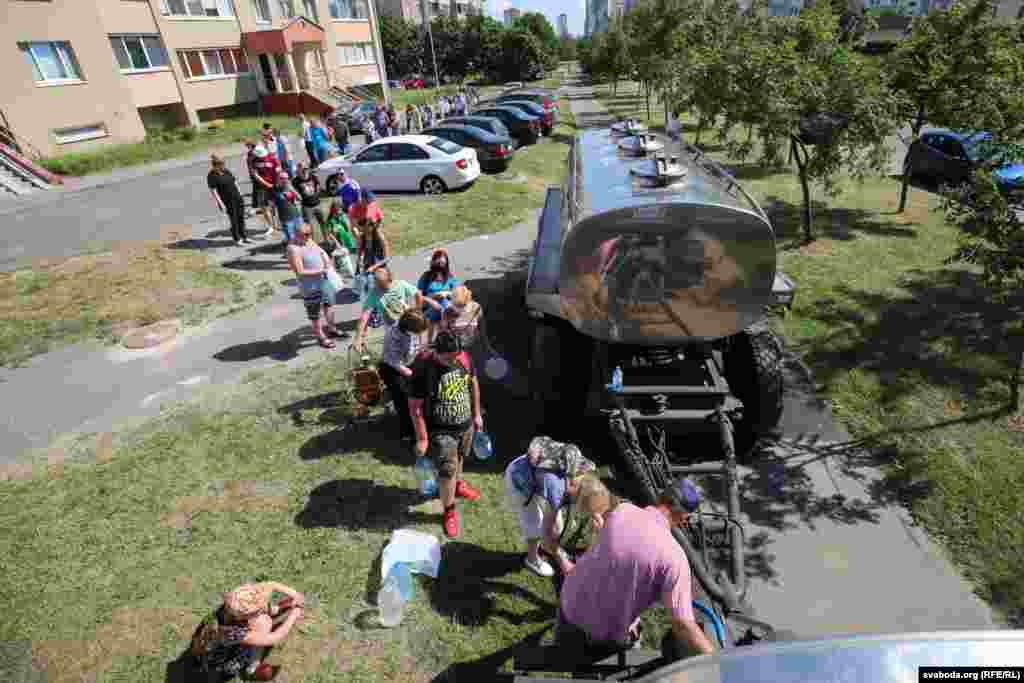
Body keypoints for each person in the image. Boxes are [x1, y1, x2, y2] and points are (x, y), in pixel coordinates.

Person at [555, 478, 716, 663]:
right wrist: (718, 661)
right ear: (683, 518)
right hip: (602, 636)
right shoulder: (676, 560)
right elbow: (682, 625)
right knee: (631, 637)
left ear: (660, 497)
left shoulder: (622, 510)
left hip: (569, 606)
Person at [409, 330, 483, 538]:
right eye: (447, 358)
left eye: (455, 356)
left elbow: (473, 383)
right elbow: (415, 406)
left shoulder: (464, 358)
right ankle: (449, 511)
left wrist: (477, 414)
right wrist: (423, 438)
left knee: (460, 456)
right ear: (436, 352)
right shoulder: (423, 367)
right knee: (447, 470)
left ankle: (458, 485)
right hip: (441, 430)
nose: (453, 361)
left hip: (465, 424)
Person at [503, 436, 599, 577]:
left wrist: (597, 516)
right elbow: (547, 534)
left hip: (538, 475)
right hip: (519, 479)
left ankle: (548, 548)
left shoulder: (573, 461)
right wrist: (564, 563)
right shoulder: (555, 487)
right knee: (535, 523)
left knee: (557, 528)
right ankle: (532, 559)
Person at [190, 582, 305, 681]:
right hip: (215, 661)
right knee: (264, 623)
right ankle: (251, 668)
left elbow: (271, 584)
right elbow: (275, 637)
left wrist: (295, 594)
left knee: (263, 619)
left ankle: (275, 610)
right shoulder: (232, 632)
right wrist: (294, 615)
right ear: (244, 617)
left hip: (205, 644)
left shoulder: (234, 603)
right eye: (257, 610)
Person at [380, 308, 430, 442]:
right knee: (403, 401)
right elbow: (394, 361)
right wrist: (412, 374)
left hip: (408, 364)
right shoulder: (393, 336)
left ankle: (422, 424)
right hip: (392, 369)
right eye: (417, 331)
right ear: (409, 327)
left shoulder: (410, 327)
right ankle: (407, 433)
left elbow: (416, 345)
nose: (419, 334)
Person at [288, 223, 341, 348]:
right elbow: (300, 271)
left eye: (309, 233)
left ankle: (332, 329)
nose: (309, 236)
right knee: (315, 314)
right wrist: (321, 271)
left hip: (323, 281)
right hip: (309, 286)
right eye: (305, 235)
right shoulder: (293, 248)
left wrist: (327, 259)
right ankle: (321, 337)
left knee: (329, 304)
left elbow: (320, 251)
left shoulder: (309, 240)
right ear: (296, 234)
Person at [356, 266, 434, 343]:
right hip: (391, 328)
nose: (378, 287)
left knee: (413, 345)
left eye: (382, 285)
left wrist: (418, 310)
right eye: (377, 284)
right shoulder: (374, 294)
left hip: (408, 323)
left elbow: (417, 294)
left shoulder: (401, 284)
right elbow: (365, 315)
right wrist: (358, 337)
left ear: (390, 279)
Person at [207, 154, 251, 246]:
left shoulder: (226, 171)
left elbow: (235, 182)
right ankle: (237, 239)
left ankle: (244, 236)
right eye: (221, 165)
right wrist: (220, 204)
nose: (223, 166)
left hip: (237, 197)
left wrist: (240, 194)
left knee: (241, 218)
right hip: (227, 200)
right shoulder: (211, 175)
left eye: (223, 164)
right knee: (234, 219)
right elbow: (213, 191)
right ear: (216, 165)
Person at [417, 248, 459, 340]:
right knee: (439, 307)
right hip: (430, 308)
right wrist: (432, 297)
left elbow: (457, 294)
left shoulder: (450, 277)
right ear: (433, 262)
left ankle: (442, 335)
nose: (440, 264)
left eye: (442, 262)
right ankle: (438, 336)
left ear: (446, 263)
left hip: (446, 309)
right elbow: (418, 296)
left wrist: (446, 293)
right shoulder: (426, 276)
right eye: (438, 261)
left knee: (444, 304)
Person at [351, 190, 388, 273]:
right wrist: (359, 264)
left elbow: (386, 259)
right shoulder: (354, 208)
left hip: (379, 269)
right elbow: (354, 226)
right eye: (368, 200)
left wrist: (373, 267)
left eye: (370, 226)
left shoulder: (380, 239)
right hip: (367, 268)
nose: (370, 202)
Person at [323, 199, 359, 281]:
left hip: (347, 240)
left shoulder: (342, 217)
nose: (340, 210)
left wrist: (342, 218)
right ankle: (345, 275)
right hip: (339, 243)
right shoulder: (330, 221)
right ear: (333, 209)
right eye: (338, 209)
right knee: (341, 260)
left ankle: (348, 274)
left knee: (345, 258)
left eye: (340, 208)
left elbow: (347, 228)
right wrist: (336, 243)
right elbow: (330, 234)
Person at [251, 145, 280, 235]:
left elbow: (278, 170)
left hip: (274, 185)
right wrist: (266, 184)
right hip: (262, 187)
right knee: (264, 207)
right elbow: (255, 174)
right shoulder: (254, 160)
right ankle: (271, 226)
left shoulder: (272, 158)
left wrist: (276, 183)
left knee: (275, 205)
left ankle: (277, 223)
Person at [271, 171, 303, 251]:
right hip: (286, 218)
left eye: (286, 178)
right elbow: (272, 206)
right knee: (291, 239)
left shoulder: (290, 187)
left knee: (301, 235)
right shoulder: (274, 189)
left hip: (296, 215)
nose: (285, 180)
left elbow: (300, 198)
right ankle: (293, 254)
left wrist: (292, 190)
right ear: (278, 179)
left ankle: (302, 253)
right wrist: (274, 222)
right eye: (282, 178)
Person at [292, 163, 325, 240]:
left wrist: (317, 193)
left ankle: (326, 239)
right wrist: (298, 198)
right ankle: (312, 242)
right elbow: (294, 192)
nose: (304, 171)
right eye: (302, 169)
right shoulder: (295, 181)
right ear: (298, 170)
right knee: (309, 226)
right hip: (306, 206)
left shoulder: (313, 177)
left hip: (317, 204)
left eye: (306, 169)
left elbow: (318, 185)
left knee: (323, 222)